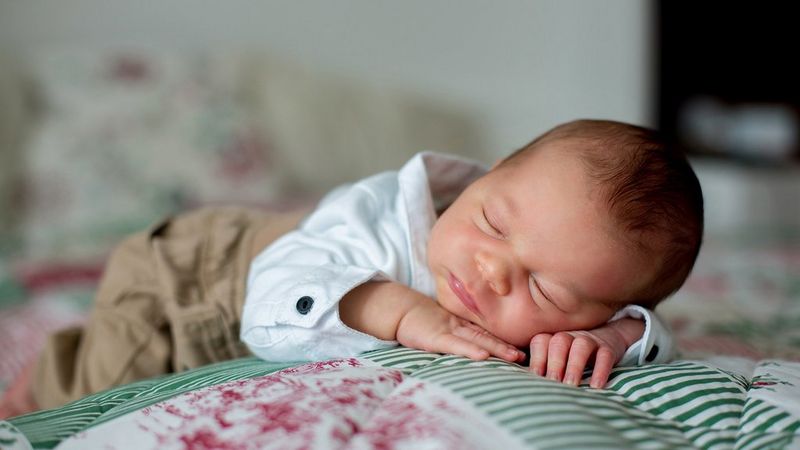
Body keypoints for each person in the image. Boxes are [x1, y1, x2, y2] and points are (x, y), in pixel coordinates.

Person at [0, 119, 704, 419]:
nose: (492, 270)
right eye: (491, 222)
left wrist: (614, 340)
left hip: (229, 281)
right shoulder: (378, 212)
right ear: (483, 179)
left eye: (546, 288)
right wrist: (399, 311)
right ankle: (46, 372)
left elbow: (656, 336)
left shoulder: (597, 315)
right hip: (196, 281)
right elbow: (270, 312)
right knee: (109, 377)